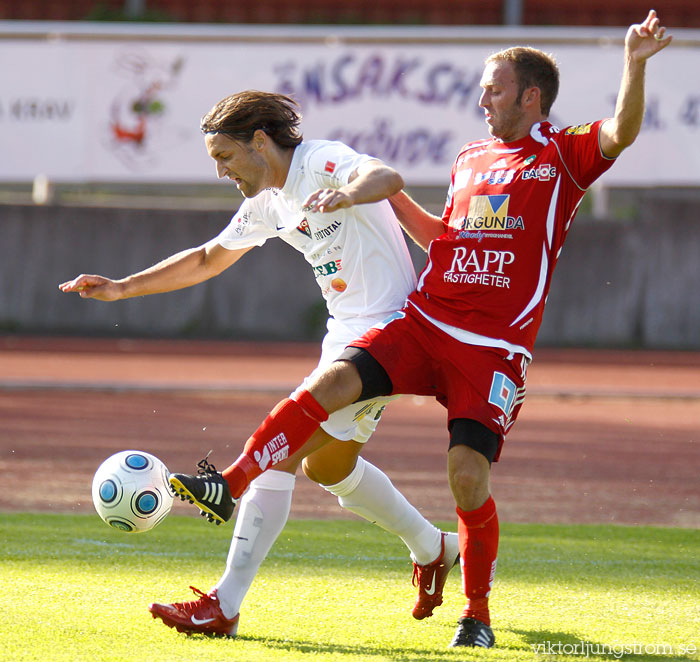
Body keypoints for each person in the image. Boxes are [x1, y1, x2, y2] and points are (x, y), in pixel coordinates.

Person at [166, 11, 672, 650]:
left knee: (466, 474)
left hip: (493, 348)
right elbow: (445, 237)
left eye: (493, 88)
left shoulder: (562, 154)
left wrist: (635, 61)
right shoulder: (471, 159)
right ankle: (229, 483)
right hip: (426, 321)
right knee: (334, 382)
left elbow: (622, 132)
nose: (481, 99)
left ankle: (476, 613)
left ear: (530, 96)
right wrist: (375, 199)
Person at [59, 91, 460, 636]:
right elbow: (207, 258)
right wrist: (122, 287)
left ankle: (223, 605)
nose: (222, 171)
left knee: (280, 456)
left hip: (389, 333)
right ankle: (434, 547)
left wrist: (344, 194)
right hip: (344, 332)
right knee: (328, 468)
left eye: (224, 157)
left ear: (261, 141)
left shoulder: (322, 161)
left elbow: (386, 179)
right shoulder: (268, 201)